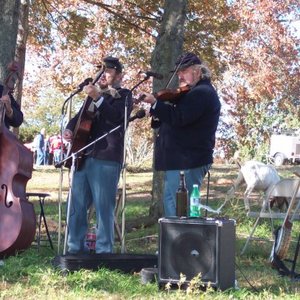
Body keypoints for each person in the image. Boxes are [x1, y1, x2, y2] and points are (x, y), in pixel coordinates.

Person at [63, 56, 133, 254]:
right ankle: (75, 248)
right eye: (101, 70)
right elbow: (79, 118)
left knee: (103, 207)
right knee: (76, 204)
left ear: (118, 75)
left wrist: (98, 98)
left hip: (107, 157)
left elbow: (117, 119)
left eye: (108, 71)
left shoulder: (124, 95)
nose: (103, 74)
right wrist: (69, 130)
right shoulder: (92, 96)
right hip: (83, 154)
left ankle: (104, 250)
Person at [140, 52, 221, 216]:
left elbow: (179, 118)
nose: (180, 76)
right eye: (178, 73)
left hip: (188, 160)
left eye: (184, 71)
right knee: (177, 206)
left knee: (179, 208)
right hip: (182, 160)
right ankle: (180, 240)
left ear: (197, 71)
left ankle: (181, 241)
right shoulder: (192, 93)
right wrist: (158, 112)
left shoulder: (201, 93)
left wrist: (156, 104)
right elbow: (175, 118)